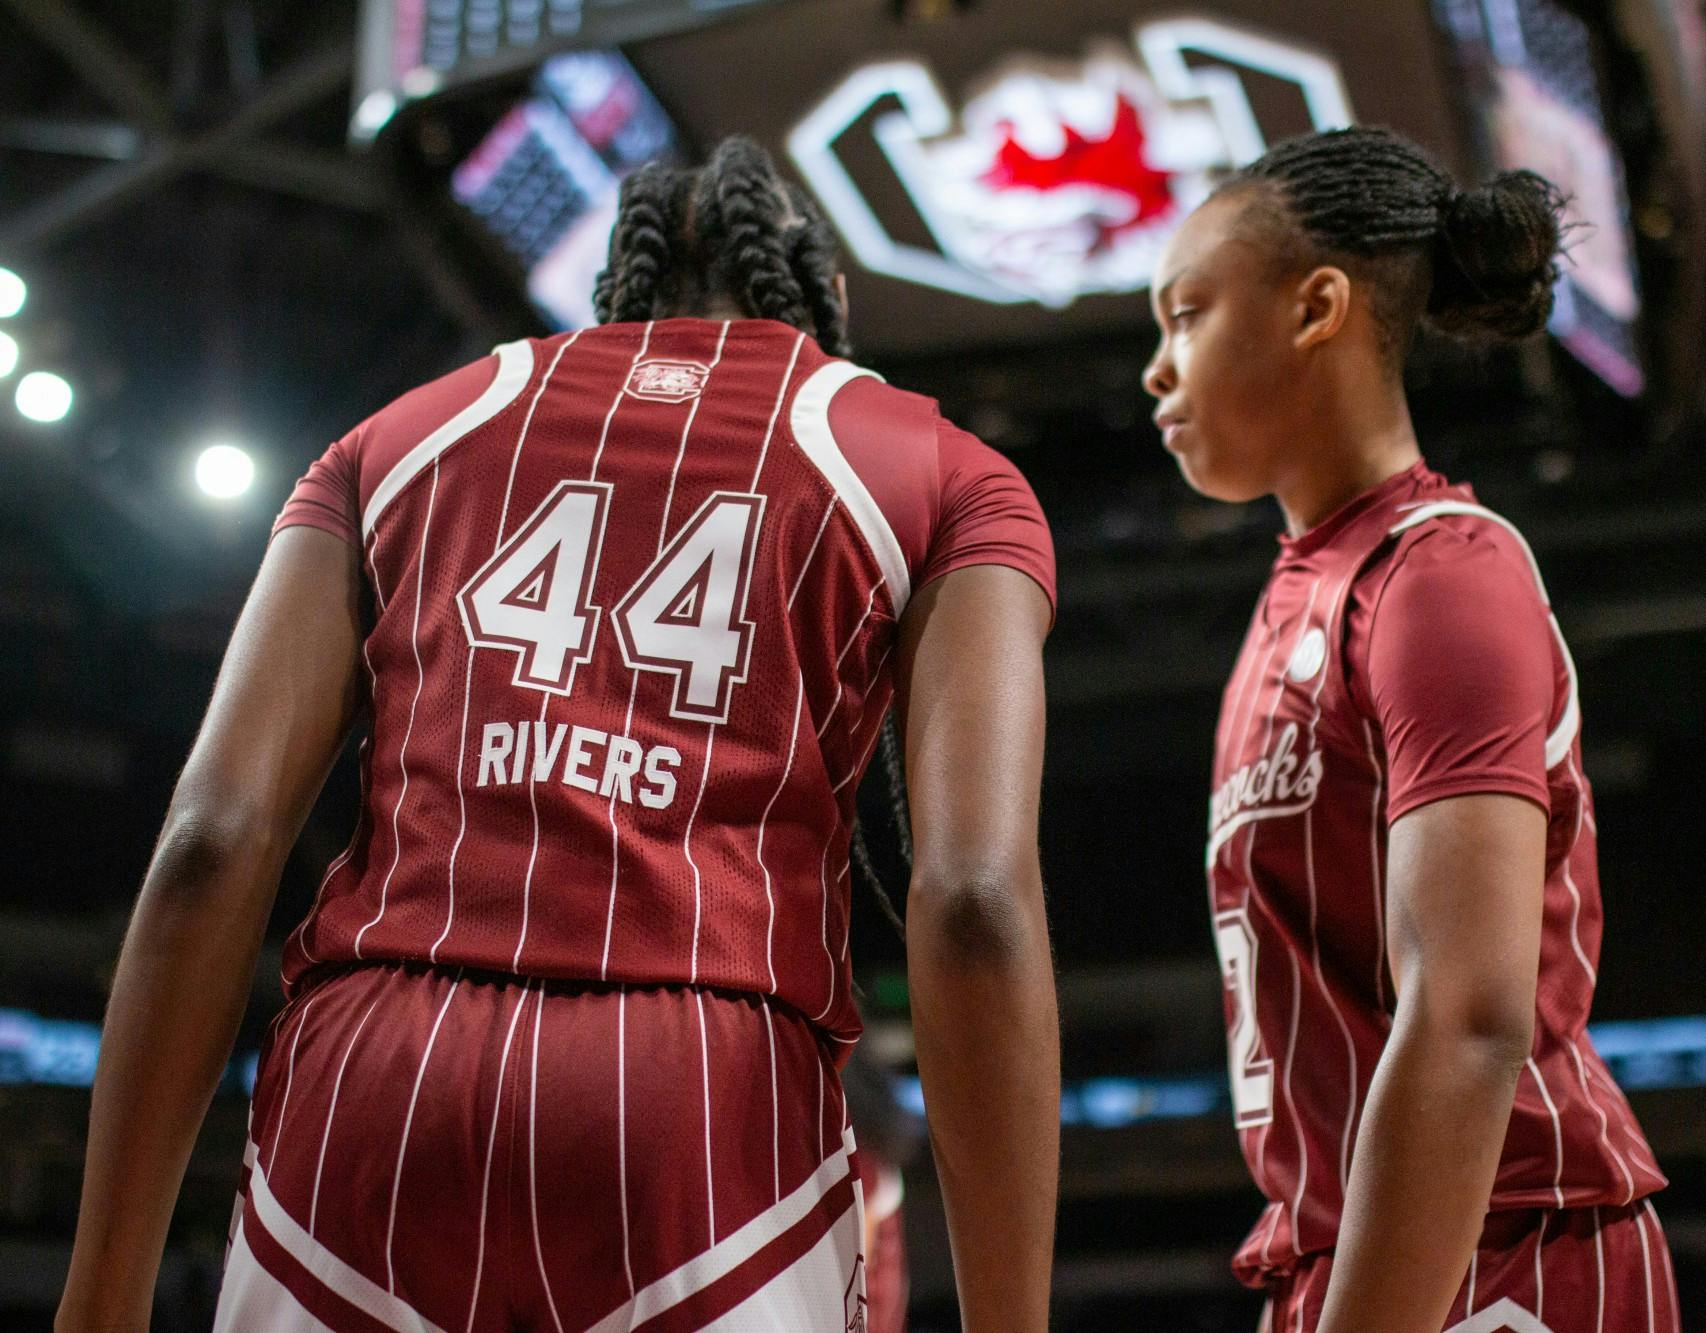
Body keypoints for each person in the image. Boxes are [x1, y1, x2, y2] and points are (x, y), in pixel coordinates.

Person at [57, 135, 1060, 1333]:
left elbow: (212, 840)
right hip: (705, 1100)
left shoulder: (395, 436)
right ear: (825, 295)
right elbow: (972, 899)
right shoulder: (948, 473)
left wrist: (99, 1295)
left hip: (376, 1076)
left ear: (612, 290)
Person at [1141, 126, 1677, 1333]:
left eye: (1184, 316)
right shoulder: (1295, 596)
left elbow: (1468, 1020)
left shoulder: (1441, 574)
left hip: (1505, 1247)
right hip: (1358, 1254)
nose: (1154, 372)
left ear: (1315, 307)